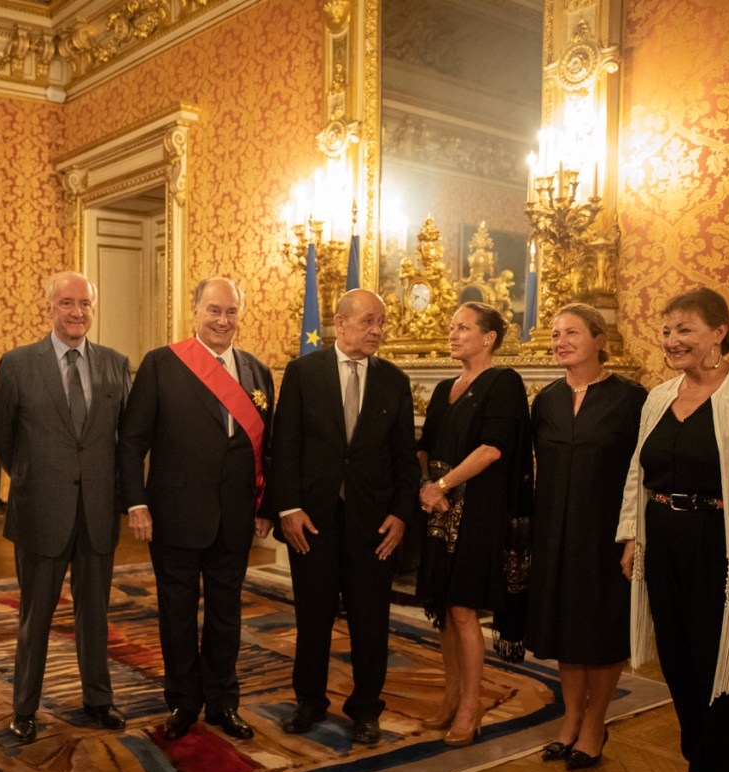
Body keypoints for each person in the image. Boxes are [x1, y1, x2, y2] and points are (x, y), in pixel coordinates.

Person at [619, 288, 729, 772]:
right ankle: (698, 764)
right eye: (666, 331)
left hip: (723, 541)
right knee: (677, 658)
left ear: (719, 332)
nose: (672, 340)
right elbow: (639, 470)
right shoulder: (659, 396)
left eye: (685, 329)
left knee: (721, 660)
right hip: (663, 534)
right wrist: (633, 536)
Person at [117, 277, 274, 741]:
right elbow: (131, 441)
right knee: (178, 615)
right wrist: (136, 502)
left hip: (235, 516)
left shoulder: (257, 371)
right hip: (175, 514)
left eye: (230, 312)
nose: (222, 321)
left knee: (228, 615)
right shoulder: (161, 364)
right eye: (213, 311)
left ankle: (223, 702)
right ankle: (184, 701)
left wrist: (268, 503)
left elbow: (270, 447)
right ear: (195, 310)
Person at [0, 272, 132, 743]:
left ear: (94, 308)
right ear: (49, 306)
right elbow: (2, 436)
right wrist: (34, 474)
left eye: (85, 304)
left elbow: (123, 439)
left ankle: (99, 699)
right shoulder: (17, 364)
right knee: (36, 616)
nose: (76, 312)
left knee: (96, 614)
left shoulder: (115, 365)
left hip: (96, 511)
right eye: (67, 303)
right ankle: (25, 707)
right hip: (40, 510)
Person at [270, 289, 418, 743]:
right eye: (369, 321)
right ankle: (309, 702)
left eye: (382, 323)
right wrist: (288, 509)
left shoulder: (394, 380)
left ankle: (366, 710)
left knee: (370, 622)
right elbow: (284, 446)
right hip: (311, 521)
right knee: (312, 619)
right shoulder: (302, 372)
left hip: (373, 525)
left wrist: (400, 515)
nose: (377, 331)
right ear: (340, 321)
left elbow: (405, 459)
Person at [526, 303, 646, 770]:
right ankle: (570, 720)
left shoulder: (631, 398)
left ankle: (596, 724)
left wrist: (634, 536)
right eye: (556, 334)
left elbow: (643, 473)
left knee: (600, 630)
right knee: (563, 627)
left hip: (606, 534)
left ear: (600, 340)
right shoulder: (547, 399)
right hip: (554, 531)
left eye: (572, 333)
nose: (561, 341)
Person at [417, 301, 532, 747]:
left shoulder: (503, 382)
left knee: (463, 607)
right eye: (451, 327)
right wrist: (429, 485)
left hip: (478, 508)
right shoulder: (445, 384)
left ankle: (471, 706)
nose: (453, 334)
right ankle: (450, 699)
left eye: (462, 328)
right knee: (444, 608)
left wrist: (440, 484)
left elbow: (492, 449)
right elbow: (424, 444)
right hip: (439, 509)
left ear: (489, 338)